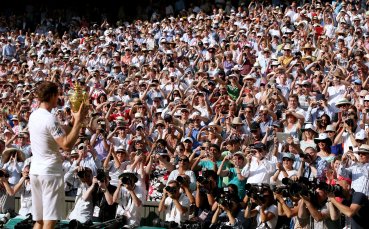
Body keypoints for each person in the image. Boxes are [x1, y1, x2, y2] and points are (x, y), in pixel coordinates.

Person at [28, 81, 88, 229]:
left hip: (35, 172)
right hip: (50, 174)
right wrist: (79, 121)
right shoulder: (50, 118)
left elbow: (60, 132)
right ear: (53, 95)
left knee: (39, 221)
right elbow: (66, 145)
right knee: (50, 220)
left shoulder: (34, 116)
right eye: (57, 95)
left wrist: (73, 123)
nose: (58, 99)